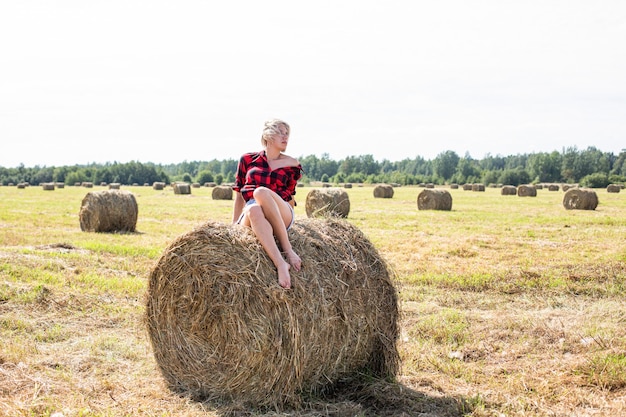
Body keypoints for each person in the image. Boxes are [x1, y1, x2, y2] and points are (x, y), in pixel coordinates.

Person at [232, 119, 303, 289]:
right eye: (280, 132)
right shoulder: (247, 159)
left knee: (260, 192)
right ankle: (280, 263)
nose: (285, 136)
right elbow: (239, 194)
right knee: (254, 208)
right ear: (268, 135)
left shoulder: (292, 163)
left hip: (280, 210)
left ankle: (288, 249)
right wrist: (233, 224)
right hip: (251, 209)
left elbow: (290, 196)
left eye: (287, 133)